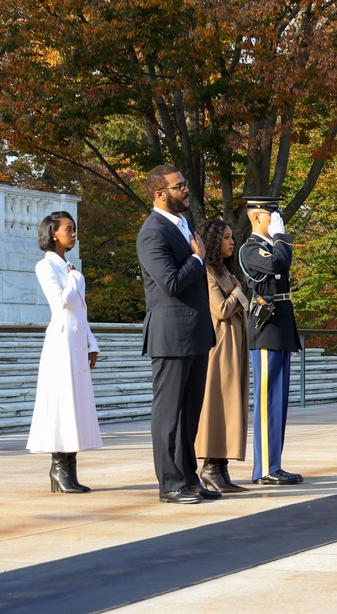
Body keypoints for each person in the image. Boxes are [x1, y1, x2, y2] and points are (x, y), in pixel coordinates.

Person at [136, 165, 217, 504]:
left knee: (189, 413)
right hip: (170, 334)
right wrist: (198, 259)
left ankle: (188, 478)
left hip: (196, 331)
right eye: (179, 186)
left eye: (184, 184)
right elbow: (169, 283)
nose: (186, 190)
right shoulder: (152, 233)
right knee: (169, 412)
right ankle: (169, 483)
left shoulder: (185, 224)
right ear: (159, 194)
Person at [27, 211, 102, 493]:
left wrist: (90, 343)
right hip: (59, 346)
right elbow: (59, 304)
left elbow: (79, 313)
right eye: (68, 229)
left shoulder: (69, 266)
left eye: (74, 228)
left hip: (75, 344)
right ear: (53, 233)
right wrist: (74, 280)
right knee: (61, 404)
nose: (73, 233)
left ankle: (69, 467)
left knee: (75, 405)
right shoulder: (45, 267)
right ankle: (59, 468)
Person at [238, 196, 303, 485]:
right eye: (271, 215)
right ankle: (264, 468)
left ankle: (274, 464)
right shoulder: (250, 249)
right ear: (256, 217)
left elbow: (282, 262)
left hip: (281, 326)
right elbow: (280, 261)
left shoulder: (269, 246)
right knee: (267, 401)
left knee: (278, 402)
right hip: (265, 328)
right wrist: (280, 236)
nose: (276, 219)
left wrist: (278, 238)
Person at [194, 219, 250, 493]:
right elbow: (219, 309)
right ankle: (210, 468)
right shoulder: (207, 271)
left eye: (232, 237)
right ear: (215, 241)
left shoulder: (224, 271)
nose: (232, 242)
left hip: (235, 344)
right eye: (227, 238)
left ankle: (223, 466)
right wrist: (239, 293)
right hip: (220, 346)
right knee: (219, 404)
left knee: (233, 404)